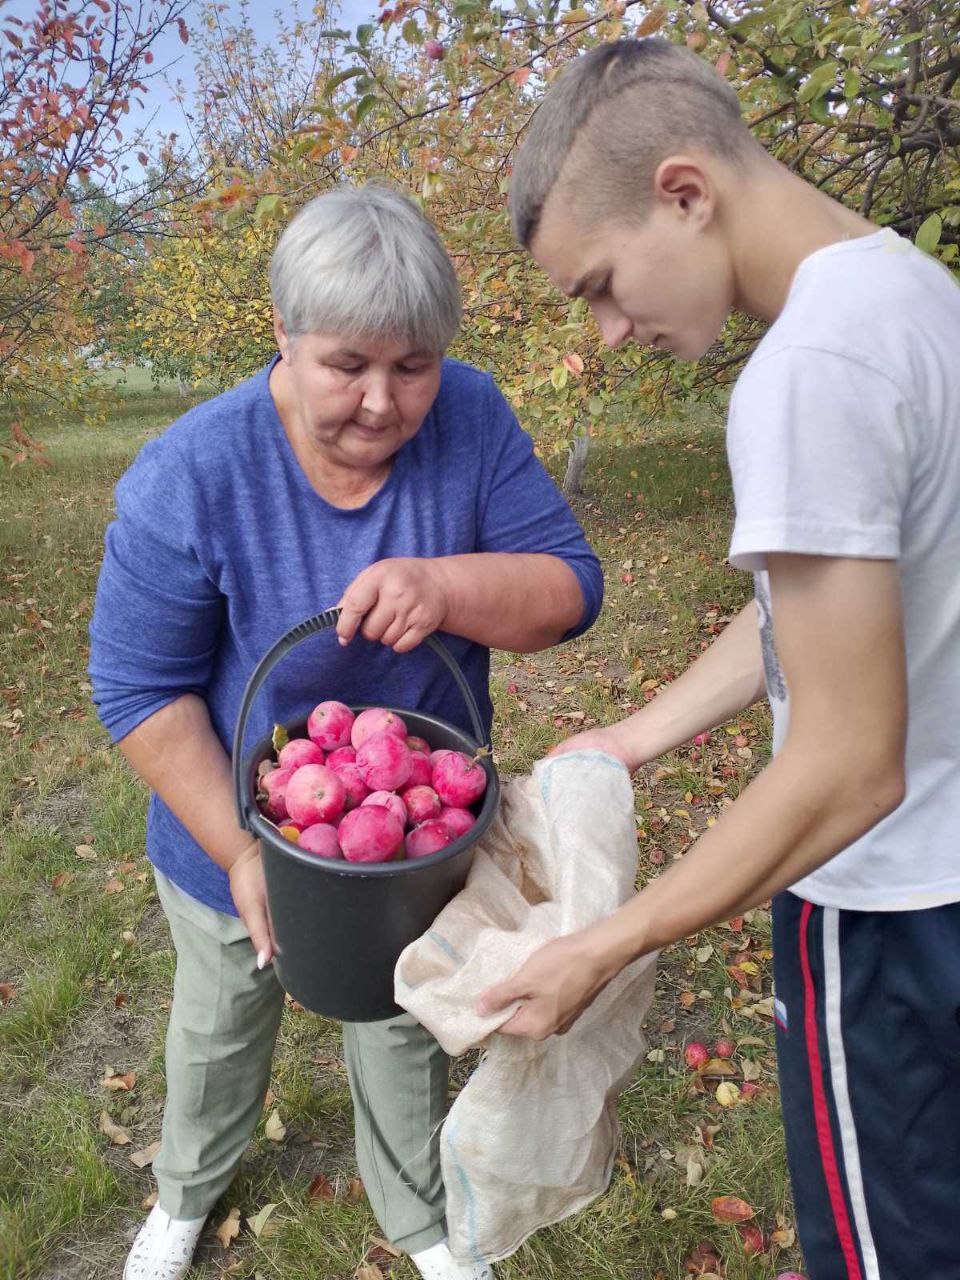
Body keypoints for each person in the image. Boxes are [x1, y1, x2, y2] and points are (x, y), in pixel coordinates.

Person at [476, 37, 960, 1280]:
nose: (609, 328)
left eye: (601, 282)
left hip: (891, 912)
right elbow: (826, 609)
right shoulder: (912, 294)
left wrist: (612, 939)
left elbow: (852, 767)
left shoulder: (804, 374)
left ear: (684, 192)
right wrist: (632, 733)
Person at [89, 183, 603, 1280]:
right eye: (347, 364)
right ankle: (184, 1194)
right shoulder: (194, 473)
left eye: (411, 364)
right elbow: (138, 688)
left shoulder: (471, 416)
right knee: (222, 1020)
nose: (382, 399)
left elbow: (568, 590)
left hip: (413, 820)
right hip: (237, 816)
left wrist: (446, 583)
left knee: (405, 1017)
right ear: (282, 333)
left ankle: (420, 1217)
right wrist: (239, 848)